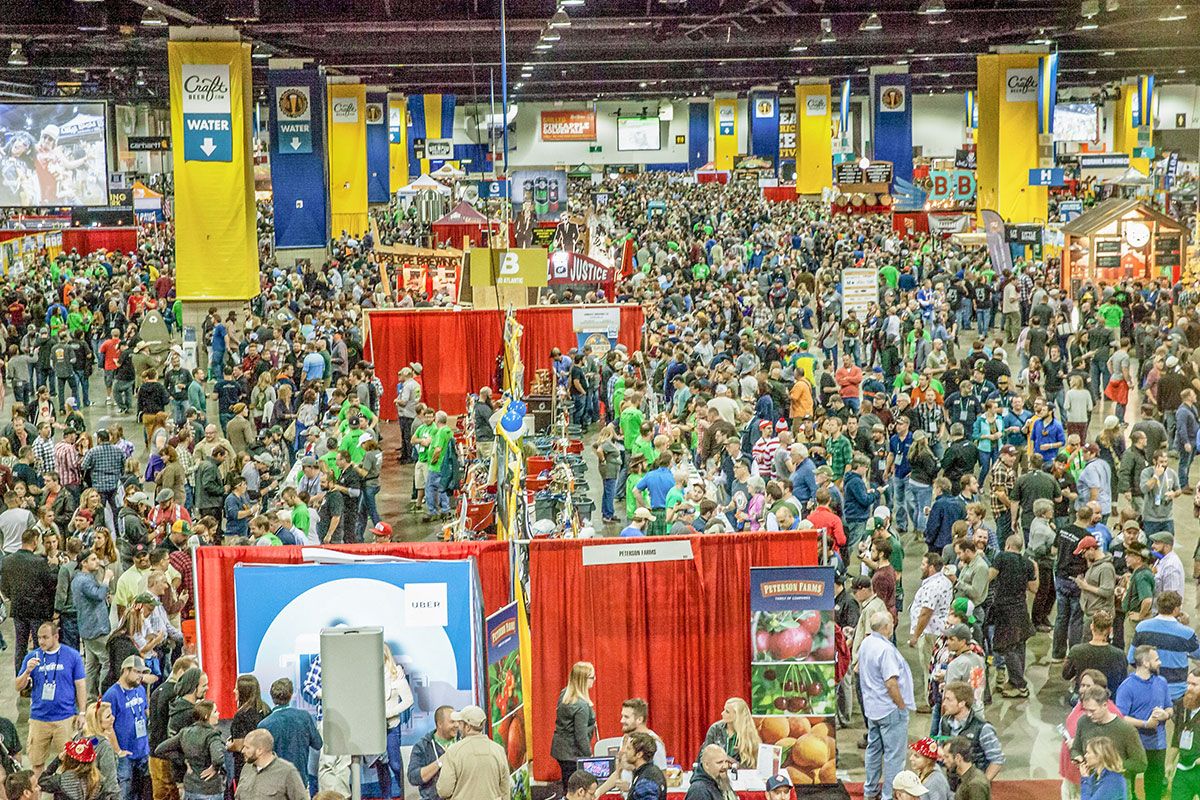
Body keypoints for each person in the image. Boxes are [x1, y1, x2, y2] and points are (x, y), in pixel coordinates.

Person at [16, 621, 87, 782]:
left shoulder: (72, 656)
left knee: (70, 763)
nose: (41, 641)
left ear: (56, 636)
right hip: (39, 718)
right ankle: (37, 792)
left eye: (45, 637)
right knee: (36, 764)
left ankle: (65, 792)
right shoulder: (32, 657)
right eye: (39, 637)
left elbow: (80, 685)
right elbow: (18, 686)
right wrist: (27, 671)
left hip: (65, 718)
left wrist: (82, 713)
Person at [859, 611, 915, 800]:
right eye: (891, 622)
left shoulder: (866, 643)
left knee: (873, 750)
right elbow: (891, 683)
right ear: (886, 627)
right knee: (894, 756)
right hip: (889, 709)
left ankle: (870, 791)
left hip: (872, 708)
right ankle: (888, 795)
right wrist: (901, 705)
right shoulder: (885, 650)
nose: (893, 625)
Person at [1115, 646, 1171, 800]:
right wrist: (1145, 724)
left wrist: (1166, 714)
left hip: (1158, 745)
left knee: (1154, 789)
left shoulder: (1162, 682)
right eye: (1156, 659)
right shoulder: (1127, 687)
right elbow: (1121, 717)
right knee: (1128, 789)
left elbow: (1169, 707)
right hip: (1134, 744)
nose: (1160, 662)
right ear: (1146, 663)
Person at [2, 527, 57, 675]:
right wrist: (54, 567)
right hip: (37, 610)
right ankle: (39, 676)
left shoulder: (7, 561)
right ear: (35, 541)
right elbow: (50, 584)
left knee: (20, 646)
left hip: (18, 609)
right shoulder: (39, 562)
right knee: (40, 645)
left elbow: (4, 586)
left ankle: (21, 678)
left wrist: (14, 597)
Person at [1128, 591, 1200, 701]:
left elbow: (1131, 658)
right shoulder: (1187, 633)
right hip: (1176, 691)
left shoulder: (1142, 628)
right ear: (1176, 609)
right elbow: (1197, 654)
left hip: (1147, 689)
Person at [103, 655, 155, 800]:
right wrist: (118, 750)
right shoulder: (112, 694)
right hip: (124, 754)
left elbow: (145, 711)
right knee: (124, 792)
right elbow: (107, 727)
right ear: (126, 671)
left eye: (142, 673)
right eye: (137, 672)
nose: (141, 676)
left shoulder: (140, 689)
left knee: (144, 791)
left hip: (142, 750)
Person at [1071, 686, 1147, 784]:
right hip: (1091, 784)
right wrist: (1077, 757)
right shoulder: (1083, 722)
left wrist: (1107, 764)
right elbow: (1076, 749)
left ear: (1105, 705)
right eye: (1086, 710)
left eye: (1092, 711)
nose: (1089, 714)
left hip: (1117, 786)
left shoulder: (1126, 729)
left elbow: (1140, 764)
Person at [257, 678, 322, 791]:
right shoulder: (304, 717)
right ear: (291, 695)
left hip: (274, 786)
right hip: (300, 782)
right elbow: (318, 744)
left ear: (272, 696)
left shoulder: (264, 725)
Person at [154, 700, 225, 800]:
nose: (218, 714)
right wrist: (215, 767)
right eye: (215, 711)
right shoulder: (213, 735)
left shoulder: (184, 733)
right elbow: (218, 759)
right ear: (206, 716)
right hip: (210, 790)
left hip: (190, 788)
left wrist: (183, 760)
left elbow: (160, 750)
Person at [434, 705, 508, 800]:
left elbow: (444, 791)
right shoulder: (498, 750)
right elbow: (505, 790)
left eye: (460, 723)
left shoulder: (454, 752)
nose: (458, 726)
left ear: (467, 727)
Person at [937, 681, 1004, 779]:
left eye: (949, 700)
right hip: (952, 779)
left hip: (973, 780)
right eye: (944, 699)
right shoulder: (945, 721)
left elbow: (997, 760)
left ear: (962, 703)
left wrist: (982, 782)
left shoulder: (982, 728)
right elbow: (941, 742)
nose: (944, 704)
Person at [550, 661, 597, 793]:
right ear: (583, 680)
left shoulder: (565, 694)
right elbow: (581, 737)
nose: (594, 680)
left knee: (567, 784)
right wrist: (589, 756)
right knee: (574, 789)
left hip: (560, 750)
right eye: (592, 677)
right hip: (573, 754)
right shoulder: (582, 706)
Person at [376, 648, 414, 800]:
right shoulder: (368, 674)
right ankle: (386, 797)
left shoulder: (395, 672)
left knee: (395, 764)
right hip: (375, 728)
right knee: (381, 765)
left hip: (391, 725)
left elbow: (409, 700)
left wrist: (390, 713)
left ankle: (406, 793)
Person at [1064, 612, 1128, 696]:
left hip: (1083, 697)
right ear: (1110, 630)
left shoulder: (1076, 650)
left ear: (1091, 627)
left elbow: (1066, 675)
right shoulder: (1119, 655)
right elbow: (1123, 681)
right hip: (1107, 698)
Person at [234, 730, 308, 800]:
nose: (243, 751)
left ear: (260, 750)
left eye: (247, 747)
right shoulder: (247, 768)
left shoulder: (287, 771)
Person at [407, 705, 458, 800]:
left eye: (457, 721)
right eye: (452, 722)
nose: (457, 725)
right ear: (440, 724)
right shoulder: (422, 746)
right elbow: (413, 777)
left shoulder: (463, 742)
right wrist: (440, 762)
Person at [38, 739, 115, 800]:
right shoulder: (100, 781)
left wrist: (57, 760)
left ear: (68, 760)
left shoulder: (61, 781)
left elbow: (41, 782)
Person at [699, 697, 760, 771]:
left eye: (727, 712)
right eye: (724, 710)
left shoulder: (748, 735)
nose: (722, 713)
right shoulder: (715, 729)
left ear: (737, 716)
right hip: (715, 774)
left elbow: (752, 766)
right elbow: (704, 757)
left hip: (740, 775)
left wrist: (733, 763)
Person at [1170, 667, 1200, 800]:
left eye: (1194, 685)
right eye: (1188, 683)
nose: (1189, 688)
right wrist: (1170, 762)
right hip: (1183, 766)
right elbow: (1177, 736)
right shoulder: (1182, 705)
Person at [625, 733, 667, 800]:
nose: (625, 751)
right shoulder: (643, 772)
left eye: (628, 749)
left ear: (639, 754)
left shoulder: (646, 781)